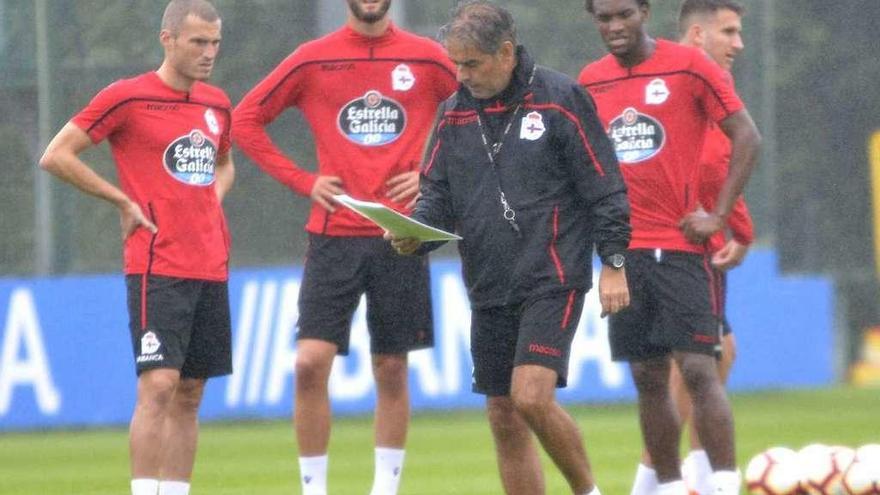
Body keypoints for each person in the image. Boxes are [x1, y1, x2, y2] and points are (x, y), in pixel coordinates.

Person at [388, 2, 631, 494]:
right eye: (455, 63)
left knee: (530, 397)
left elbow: (604, 186)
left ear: (504, 52)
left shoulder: (561, 99)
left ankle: (590, 491)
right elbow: (436, 194)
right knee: (502, 413)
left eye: (471, 63)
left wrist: (615, 262)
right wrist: (411, 232)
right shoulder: (453, 112)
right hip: (488, 280)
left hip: (553, 275)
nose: (461, 74)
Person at [231, 1, 457, 494]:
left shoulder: (428, 58)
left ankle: (385, 489)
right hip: (333, 237)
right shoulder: (313, 59)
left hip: (402, 234)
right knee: (309, 363)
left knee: (392, 366)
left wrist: (431, 177)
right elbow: (244, 121)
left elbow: (483, 113)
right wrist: (302, 180)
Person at [38, 2, 233, 495]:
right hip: (156, 264)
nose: (209, 53)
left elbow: (224, 165)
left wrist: (209, 200)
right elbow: (56, 155)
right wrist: (119, 198)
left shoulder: (217, 105)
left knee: (190, 393)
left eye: (214, 43)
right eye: (198, 42)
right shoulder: (127, 97)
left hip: (210, 264)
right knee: (159, 386)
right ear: (166, 39)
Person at [578, 1, 761, 494]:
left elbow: (745, 135)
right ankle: (672, 486)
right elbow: (585, 170)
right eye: (604, 18)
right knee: (647, 377)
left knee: (700, 368)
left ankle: (724, 485)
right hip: (625, 254)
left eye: (624, 15)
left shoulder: (688, 65)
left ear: (645, 11)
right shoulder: (590, 81)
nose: (615, 26)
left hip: (680, 248)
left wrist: (720, 216)